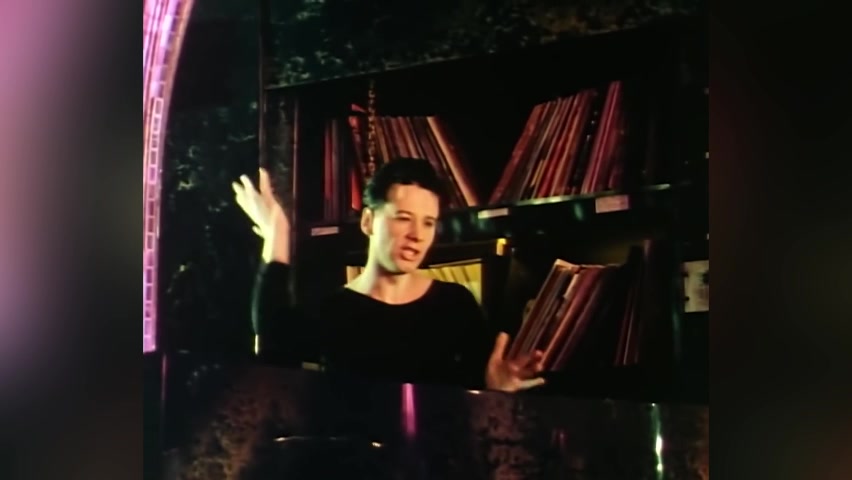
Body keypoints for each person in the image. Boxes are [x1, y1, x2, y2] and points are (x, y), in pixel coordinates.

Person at [232, 157, 545, 392]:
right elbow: (273, 334)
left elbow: (477, 395)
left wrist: (494, 388)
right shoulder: (333, 311)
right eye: (403, 218)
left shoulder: (456, 305)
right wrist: (278, 234)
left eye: (428, 223)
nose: (417, 235)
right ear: (368, 222)